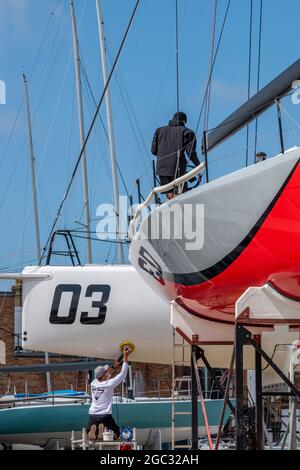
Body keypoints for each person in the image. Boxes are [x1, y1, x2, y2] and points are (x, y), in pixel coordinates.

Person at [151, 111, 201, 199]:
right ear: (184, 121)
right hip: (178, 168)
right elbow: (191, 154)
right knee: (183, 195)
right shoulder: (188, 132)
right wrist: (199, 166)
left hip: (162, 169)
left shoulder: (159, 130)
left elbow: (153, 151)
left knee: (170, 196)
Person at [87, 346, 132, 441]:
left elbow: (107, 374)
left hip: (92, 415)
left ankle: (94, 431)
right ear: (103, 375)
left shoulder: (93, 383)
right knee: (116, 432)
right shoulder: (109, 384)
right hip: (105, 415)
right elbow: (123, 374)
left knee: (89, 433)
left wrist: (114, 365)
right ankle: (102, 429)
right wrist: (126, 357)